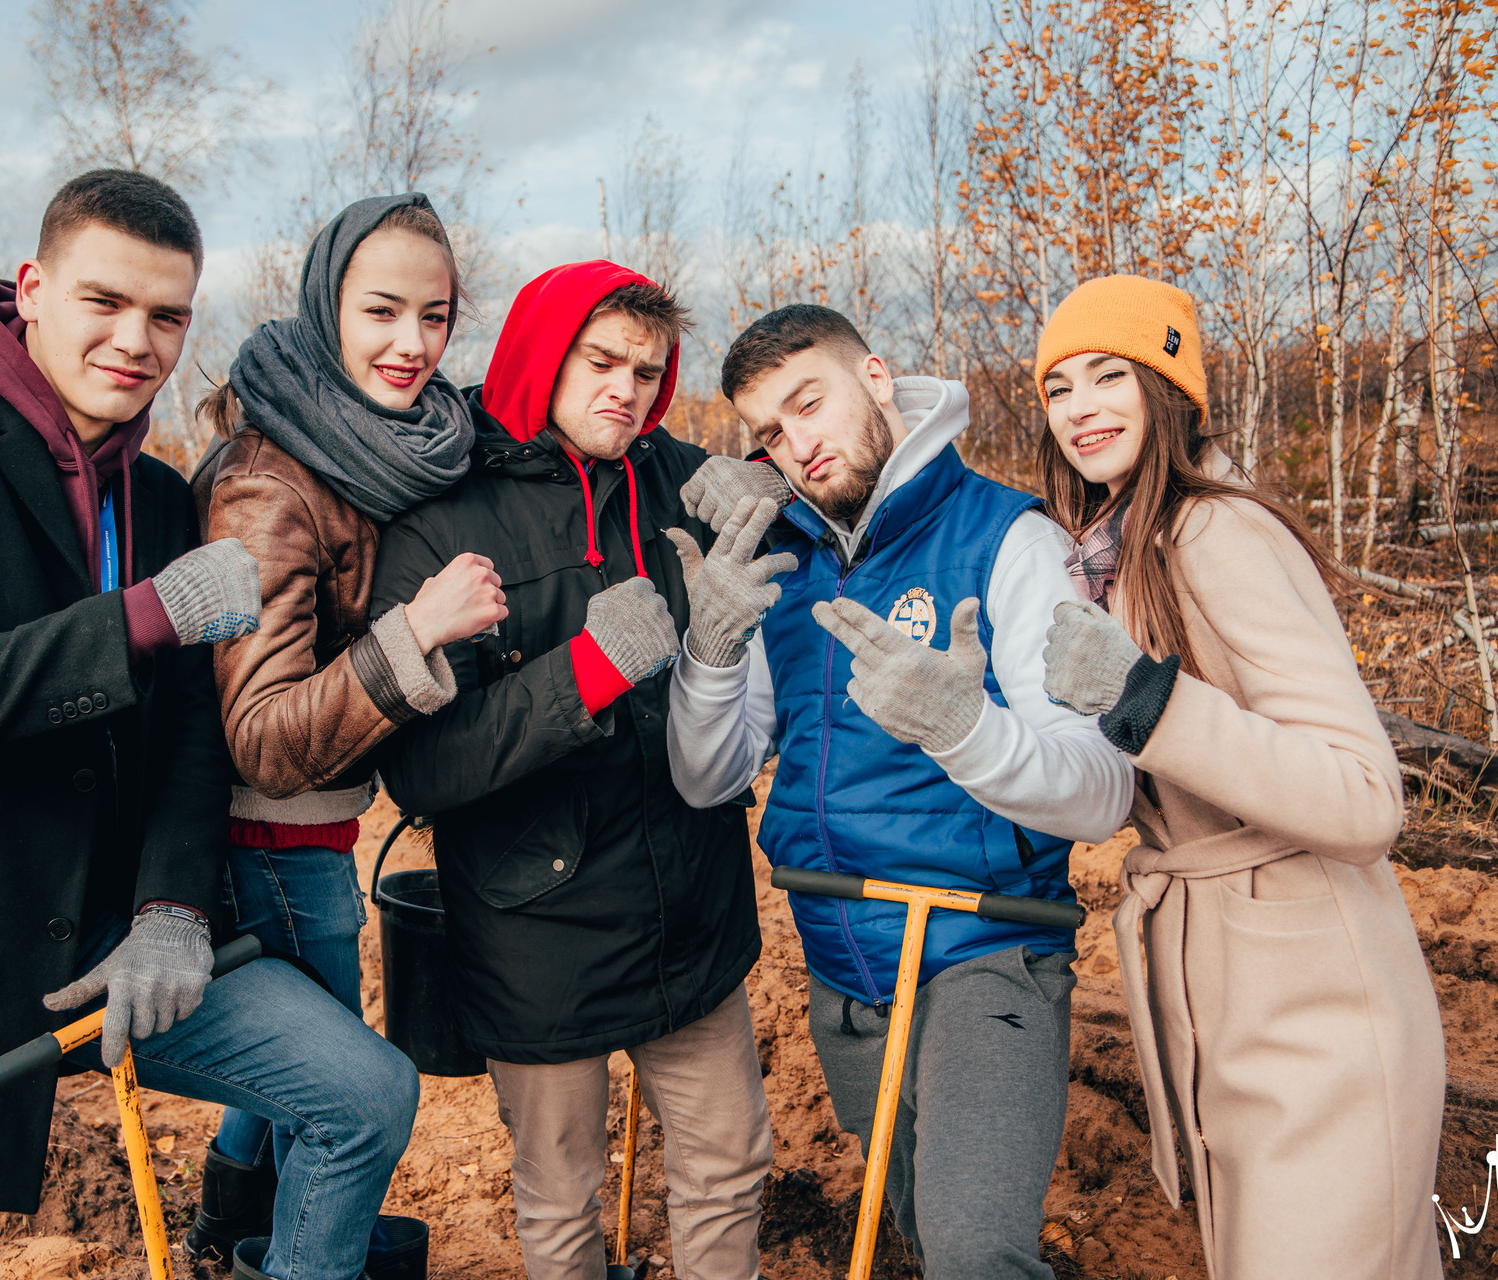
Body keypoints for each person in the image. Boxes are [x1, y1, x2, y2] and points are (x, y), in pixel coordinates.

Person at [0, 169, 419, 1280]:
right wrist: (146, 616)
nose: (135, 340)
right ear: (30, 288)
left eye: (167, 315)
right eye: (104, 301)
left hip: (110, 939)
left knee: (364, 1090)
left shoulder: (159, 499)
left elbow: (187, 739)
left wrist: (170, 907)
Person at [666, 304, 1133, 1280]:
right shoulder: (782, 563)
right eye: (770, 432)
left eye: (810, 403)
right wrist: (709, 651)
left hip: (986, 946)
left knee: (972, 1247)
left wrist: (963, 727)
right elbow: (709, 776)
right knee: (915, 1216)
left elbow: (1102, 794)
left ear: (877, 378)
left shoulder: (1007, 538)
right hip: (843, 960)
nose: (799, 445)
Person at [1032, 275, 1445, 1280]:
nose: (1081, 408)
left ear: (1168, 388)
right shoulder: (1124, 546)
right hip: (1230, 993)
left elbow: (1365, 797)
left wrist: (1148, 701)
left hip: (1319, 1015)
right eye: (1058, 388)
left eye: (1110, 376)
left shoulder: (1216, 530)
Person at [369, 262, 772, 1280]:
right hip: (535, 924)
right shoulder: (439, 518)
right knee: (560, 1195)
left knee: (728, 1165)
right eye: (600, 363)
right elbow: (423, 769)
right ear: (542, 357)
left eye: (648, 372)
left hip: (691, 904)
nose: (625, 391)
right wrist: (584, 673)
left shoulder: (678, 477)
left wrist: (775, 490)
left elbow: (821, 492)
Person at [186, 192, 506, 1276]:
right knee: (338, 1095)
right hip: (273, 838)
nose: (412, 343)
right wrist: (417, 632)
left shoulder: (374, 442)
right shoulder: (270, 485)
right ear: (328, 307)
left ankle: (226, 1223)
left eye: (435, 314)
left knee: (291, 1059)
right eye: (381, 311)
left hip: (318, 832)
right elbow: (262, 737)